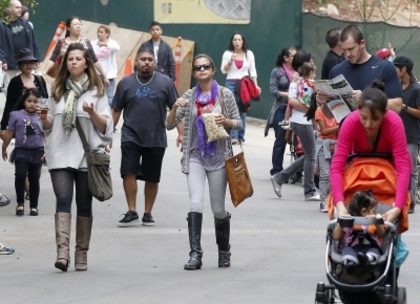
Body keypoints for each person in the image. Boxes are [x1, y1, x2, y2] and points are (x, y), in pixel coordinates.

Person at [38, 43, 113, 272]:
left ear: (86, 63)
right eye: (70, 59)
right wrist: (43, 118)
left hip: (85, 156)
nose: (74, 62)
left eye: (78, 59)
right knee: (62, 199)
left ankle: (81, 254)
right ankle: (62, 253)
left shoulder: (97, 91)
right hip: (60, 152)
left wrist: (91, 112)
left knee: (83, 202)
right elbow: (51, 126)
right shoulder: (57, 90)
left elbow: (106, 128)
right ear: (65, 63)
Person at [166, 54, 242, 270]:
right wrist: (173, 107)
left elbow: (237, 123)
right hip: (195, 156)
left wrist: (225, 121)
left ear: (213, 69)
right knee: (195, 203)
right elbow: (170, 125)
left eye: (205, 66)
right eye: (197, 68)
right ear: (193, 73)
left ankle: (224, 251)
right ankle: (195, 254)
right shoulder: (189, 96)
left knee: (218, 209)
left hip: (219, 157)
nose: (201, 70)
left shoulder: (225, 95)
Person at [112, 47, 181, 227]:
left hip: (156, 137)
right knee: (129, 172)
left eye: (150, 59)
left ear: (155, 62)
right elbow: (116, 110)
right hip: (130, 135)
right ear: (136, 61)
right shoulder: (126, 83)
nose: (146, 62)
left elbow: (176, 108)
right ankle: (132, 210)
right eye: (143, 59)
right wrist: (106, 136)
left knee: (152, 177)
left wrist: (182, 133)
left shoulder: (165, 82)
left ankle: (147, 213)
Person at [330, 80, 411, 224]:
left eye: (375, 119)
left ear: (385, 113)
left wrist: (398, 207)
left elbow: (403, 167)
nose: (368, 124)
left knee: (392, 229)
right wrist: (340, 205)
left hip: (387, 182)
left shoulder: (394, 124)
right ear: (358, 111)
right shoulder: (350, 123)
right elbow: (337, 167)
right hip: (357, 179)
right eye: (364, 118)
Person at [271, 50, 320, 201]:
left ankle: (280, 177)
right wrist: (311, 111)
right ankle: (310, 190)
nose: (312, 63)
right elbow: (292, 101)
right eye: (310, 60)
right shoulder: (296, 79)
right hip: (301, 121)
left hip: (303, 121)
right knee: (312, 155)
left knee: (309, 155)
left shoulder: (305, 80)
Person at [318, 24, 402, 113]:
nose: (347, 54)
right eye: (344, 50)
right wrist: (325, 103)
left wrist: (367, 100)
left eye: (351, 49)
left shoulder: (385, 68)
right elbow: (330, 115)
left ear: (362, 43)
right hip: (346, 126)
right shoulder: (336, 71)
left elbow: (397, 106)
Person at [2, 88, 44, 216]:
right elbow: (9, 132)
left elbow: (46, 133)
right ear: (24, 102)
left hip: (38, 151)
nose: (32, 104)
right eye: (29, 101)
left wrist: (47, 150)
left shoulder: (42, 115)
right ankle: (20, 203)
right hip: (21, 150)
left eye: (35, 101)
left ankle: (34, 206)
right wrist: (4, 148)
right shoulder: (16, 115)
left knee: (34, 179)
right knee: (20, 175)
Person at [43, 17, 109, 88]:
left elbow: (94, 60)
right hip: (64, 79)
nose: (78, 26)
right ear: (68, 28)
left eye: (79, 24)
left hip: (83, 80)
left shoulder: (86, 42)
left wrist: (104, 76)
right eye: (75, 24)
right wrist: (44, 72)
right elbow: (53, 59)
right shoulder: (62, 42)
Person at [221, 32, 261, 145]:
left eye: (239, 40)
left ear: (243, 41)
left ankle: (241, 137)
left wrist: (256, 85)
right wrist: (230, 61)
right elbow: (224, 70)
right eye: (235, 40)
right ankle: (233, 136)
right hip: (231, 83)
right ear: (232, 42)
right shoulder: (228, 53)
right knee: (232, 109)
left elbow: (253, 71)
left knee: (243, 110)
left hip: (244, 84)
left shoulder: (249, 54)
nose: (237, 42)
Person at [0, 48, 48, 139]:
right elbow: (9, 105)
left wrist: (45, 120)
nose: (28, 64)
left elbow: (45, 100)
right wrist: (3, 127)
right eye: (25, 62)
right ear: (20, 65)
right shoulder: (15, 82)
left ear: (35, 64)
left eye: (31, 62)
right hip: (21, 124)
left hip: (38, 123)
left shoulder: (40, 80)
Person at [333, 191, 385, 273]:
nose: (374, 213)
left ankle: (366, 259)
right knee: (346, 251)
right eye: (373, 211)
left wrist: (377, 222)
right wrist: (341, 223)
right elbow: (336, 237)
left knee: (375, 250)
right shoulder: (349, 222)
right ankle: (350, 263)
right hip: (352, 247)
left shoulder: (373, 221)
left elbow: (381, 233)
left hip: (370, 246)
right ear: (364, 211)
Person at [393, 55, 420, 214]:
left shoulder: (416, 89)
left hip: (411, 135)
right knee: (396, 168)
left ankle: (409, 203)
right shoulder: (395, 86)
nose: (395, 71)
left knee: (410, 170)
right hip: (395, 135)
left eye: (396, 68)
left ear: (404, 70)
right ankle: (398, 200)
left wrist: (403, 107)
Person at [265, 47, 296, 176]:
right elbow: (273, 90)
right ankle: (276, 170)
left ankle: (297, 171)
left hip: (296, 109)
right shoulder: (276, 72)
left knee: (298, 142)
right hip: (281, 109)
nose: (296, 58)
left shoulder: (299, 71)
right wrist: (288, 94)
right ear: (286, 58)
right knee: (281, 140)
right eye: (293, 56)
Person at [306, 92, 338, 212]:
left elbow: (339, 134)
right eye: (318, 95)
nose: (319, 97)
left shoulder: (338, 111)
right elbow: (324, 131)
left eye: (323, 95)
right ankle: (323, 202)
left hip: (336, 144)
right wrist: (340, 126)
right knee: (325, 174)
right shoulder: (319, 111)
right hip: (323, 145)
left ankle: (334, 201)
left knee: (335, 174)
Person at [0, 0, 39, 96]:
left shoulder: (26, 24)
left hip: (27, 62)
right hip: (11, 63)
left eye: (20, 7)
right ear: (9, 9)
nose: (20, 9)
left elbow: (33, 42)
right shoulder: (2, 25)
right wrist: (3, 60)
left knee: (29, 91)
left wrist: (36, 58)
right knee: (11, 91)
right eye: (17, 7)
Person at [279, 61, 317, 128]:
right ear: (311, 73)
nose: (315, 75)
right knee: (314, 114)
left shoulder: (299, 81)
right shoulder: (312, 82)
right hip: (307, 102)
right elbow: (316, 90)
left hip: (299, 100)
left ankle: (286, 120)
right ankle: (315, 128)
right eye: (314, 73)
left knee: (289, 105)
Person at [92, 24, 120, 107]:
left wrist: (105, 44)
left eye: (101, 32)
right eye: (98, 32)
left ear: (107, 34)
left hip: (109, 77)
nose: (99, 34)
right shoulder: (93, 43)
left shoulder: (112, 43)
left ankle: (109, 119)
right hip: (96, 76)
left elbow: (117, 48)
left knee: (109, 99)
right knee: (95, 98)